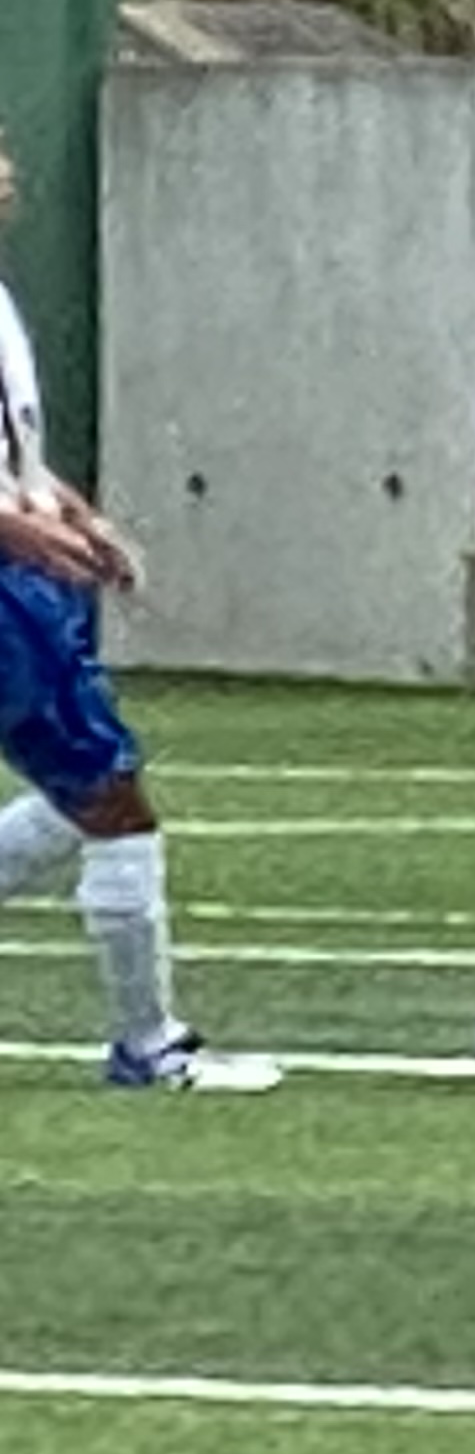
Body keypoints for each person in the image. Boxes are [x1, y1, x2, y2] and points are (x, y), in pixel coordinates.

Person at [0, 124, 278, 1093]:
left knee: (88, 794)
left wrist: (72, 513)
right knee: (112, 799)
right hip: (6, 592)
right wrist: (19, 531)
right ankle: (149, 1045)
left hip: (24, 583)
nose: (8, 171)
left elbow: (15, 453)